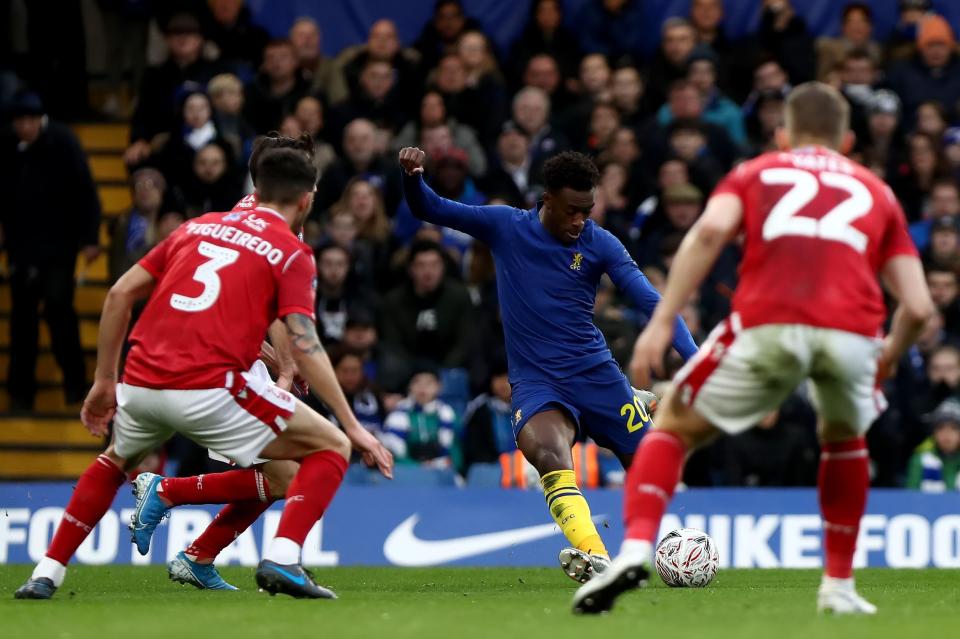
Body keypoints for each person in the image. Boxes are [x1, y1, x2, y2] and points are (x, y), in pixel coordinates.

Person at [572, 82, 934, 615]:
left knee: (672, 424)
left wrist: (663, 319)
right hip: (854, 331)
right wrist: (890, 355)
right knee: (843, 439)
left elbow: (708, 233)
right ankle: (839, 584)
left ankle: (633, 549)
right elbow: (921, 307)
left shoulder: (757, 172)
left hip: (770, 321)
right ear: (848, 140)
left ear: (783, 134)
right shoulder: (876, 191)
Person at [13, 147, 392, 600]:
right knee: (331, 446)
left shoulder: (197, 226)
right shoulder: (292, 250)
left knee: (115, 461)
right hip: (213, 386)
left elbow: (118, 294)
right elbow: (306, 339)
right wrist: (351, 424)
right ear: (307, 199)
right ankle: (282, 557)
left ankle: (47, 572)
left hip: (142, 379)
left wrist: (103, 381)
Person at [398, 146, 697, 583]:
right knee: (549, 455)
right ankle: (598, 559)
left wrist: (696, 360)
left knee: (650, 465)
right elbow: (431, 207)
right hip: (538, 382)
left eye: (587, 211)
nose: (580, 221)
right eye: (572, 211)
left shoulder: (600, 243)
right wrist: (413, 177)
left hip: (596, 375)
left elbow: (654, 303)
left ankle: (634, 413)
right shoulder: (506, 226)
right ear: (547, 199)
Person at [0, 92, 101, 410]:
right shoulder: (6, 144)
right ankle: (20, 392)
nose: (25, 127)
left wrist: (89, 237)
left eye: (30, 120)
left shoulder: (63, 141)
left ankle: (75, 385)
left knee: (59, 309)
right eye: (20, 121)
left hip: (59, 245)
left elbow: (85, 190)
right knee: (22, 320)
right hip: (21, 247)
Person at [907, 398, 960, 491]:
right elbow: (910, 497)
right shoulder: (920, 460)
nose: (947, 433)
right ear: (934, 432)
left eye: (954, 428)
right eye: (941, 427)